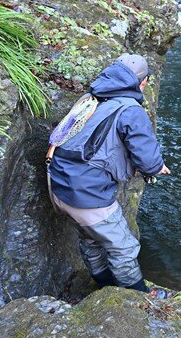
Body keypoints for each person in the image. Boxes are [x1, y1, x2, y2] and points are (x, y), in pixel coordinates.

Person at [47, 53, 170, 292]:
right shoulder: (131, 110)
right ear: (142, 82)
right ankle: (136, 297)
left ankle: (103, 284)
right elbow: (147, 157)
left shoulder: (90, 98)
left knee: (91, 238)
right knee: (123, 247)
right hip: (86, 195)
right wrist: (157, 168)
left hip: (58, 185)